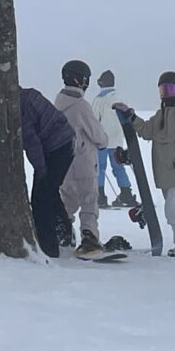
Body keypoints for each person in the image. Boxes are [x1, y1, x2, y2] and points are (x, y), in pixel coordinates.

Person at [121, 72, 175, 255]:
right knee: (173, 211)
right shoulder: (162, 114)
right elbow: (147, 131)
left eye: (170, 89)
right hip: (165, 174)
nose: (166, 93)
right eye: (163, 89)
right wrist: (131, 116)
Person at [55, 61, 111, 254]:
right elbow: (99, 136)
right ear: (81, 80)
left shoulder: (56, 105)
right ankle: (90, 238)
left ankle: (60, 236)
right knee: (89, 202)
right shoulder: (81, 106)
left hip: (63, 167)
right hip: (84, 164)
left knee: (67, 202)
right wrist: (104, 141)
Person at [19, 85, 76, 258]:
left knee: (40, 199)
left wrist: (41, 170)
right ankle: (65, 235)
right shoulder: (28, 95)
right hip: (65, 142)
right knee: (50, 192)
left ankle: (49, 248)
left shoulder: (19, 107)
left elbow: (31, 142)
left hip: (56, 148)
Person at [93, 71, 136, 209]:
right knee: (119, 167)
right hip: (118, 139)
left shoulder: (99, 100)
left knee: (100, 168)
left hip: (102, 140)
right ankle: (126, 193)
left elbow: (94, 120)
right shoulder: (121, 98)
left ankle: (100, 196)